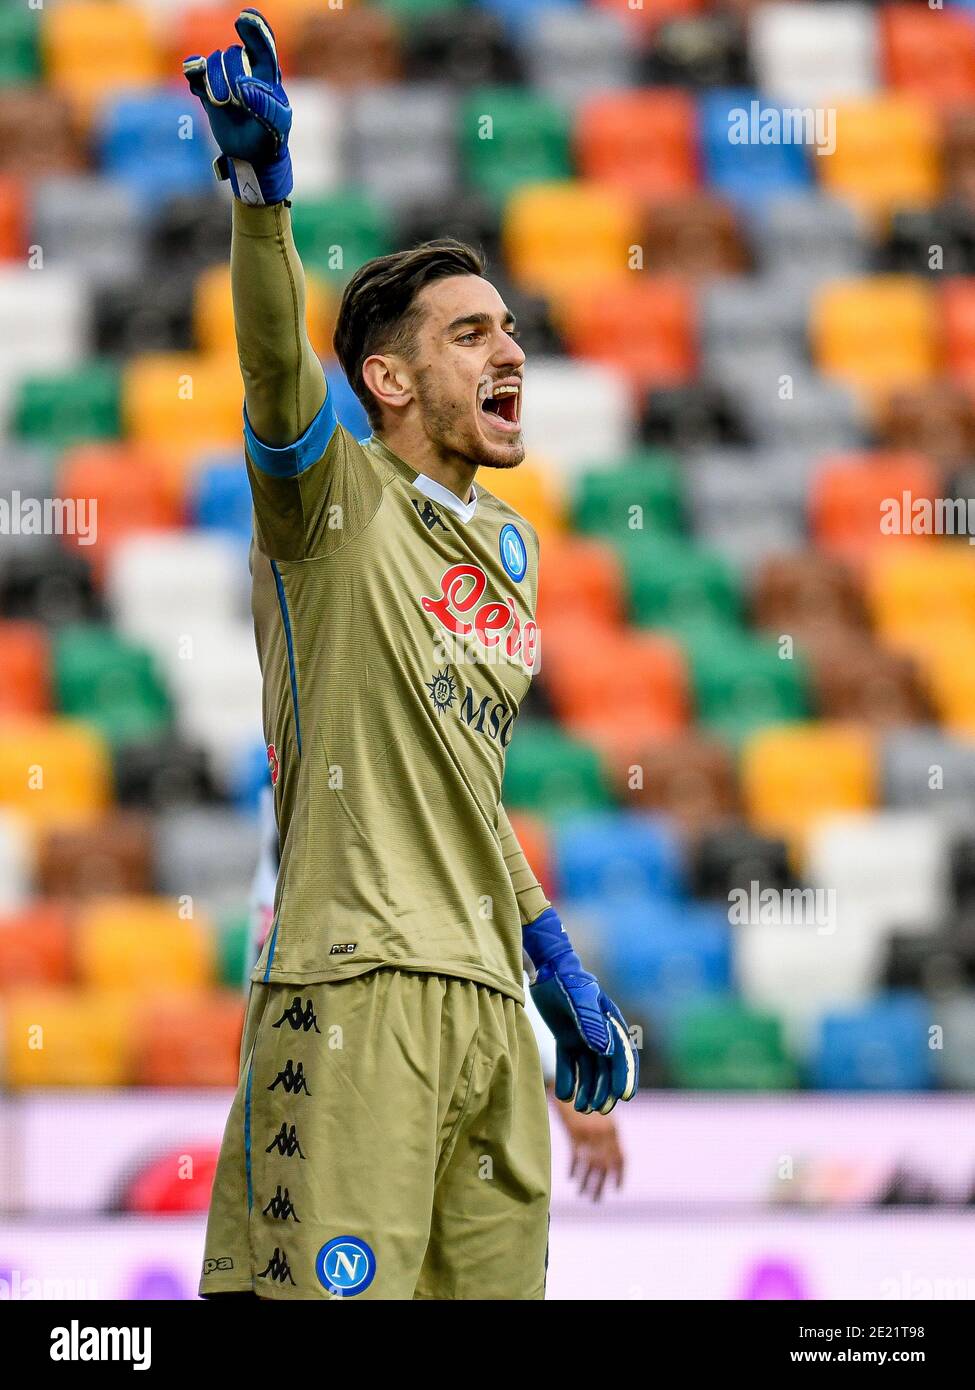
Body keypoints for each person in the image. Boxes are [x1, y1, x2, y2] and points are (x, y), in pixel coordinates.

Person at [185, 8, 638, 1301]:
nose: (511, 350)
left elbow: (464, 787)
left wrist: (552, 960)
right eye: (470, 333)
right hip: (351, 988)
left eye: (509, 327)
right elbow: (276, 370)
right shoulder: (327, 499)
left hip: (490, 1007)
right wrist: (262, 198)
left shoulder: (512, 551)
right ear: (386, 379)